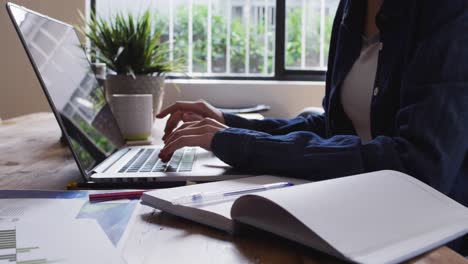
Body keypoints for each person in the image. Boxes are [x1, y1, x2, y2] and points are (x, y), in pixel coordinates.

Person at [157, 0, 468, 253]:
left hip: (431, 234)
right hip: (358, 213)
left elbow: (417, 163)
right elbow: (332, 127)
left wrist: (240, 143)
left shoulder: (449, 11)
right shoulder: (352, 8)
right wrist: (227, 123)